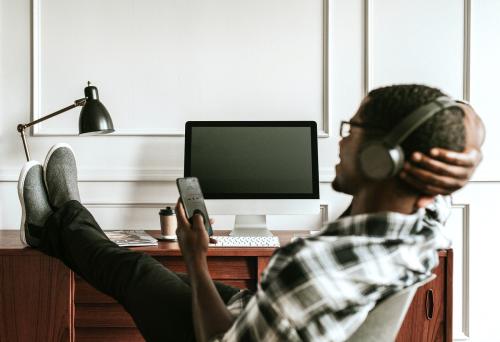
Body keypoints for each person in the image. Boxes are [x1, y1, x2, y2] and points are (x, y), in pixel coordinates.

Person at [18, 84, 484, 342]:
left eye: (352, 129)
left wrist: (196, 257)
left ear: (383, 158)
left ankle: (60, 220)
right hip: (264, 318)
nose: (340, 141)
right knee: (148, 272)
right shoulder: (421, 229)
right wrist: (469, 152)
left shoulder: (308, 268)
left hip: (228, 334)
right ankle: (55, 228)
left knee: (135, 269)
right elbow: (465, 126)